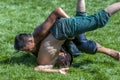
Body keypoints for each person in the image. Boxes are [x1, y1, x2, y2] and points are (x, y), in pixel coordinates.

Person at [14, 0, 120, 74]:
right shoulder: (37, 53)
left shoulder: (40, 32)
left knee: (98, 21)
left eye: (27, 48)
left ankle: (111, 52)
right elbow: (39, 67)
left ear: (30, 40)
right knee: (79, 46)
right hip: (63, 36)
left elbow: (57, 11)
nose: (29, 51)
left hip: (65, 27)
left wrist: (73, 24)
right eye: (26, 51)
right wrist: (57, 70)